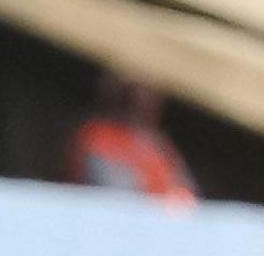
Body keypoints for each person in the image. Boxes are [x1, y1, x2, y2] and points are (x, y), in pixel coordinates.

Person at [69, 73, 198, 205]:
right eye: (136, 97)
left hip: (160, 218)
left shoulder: (157, 144)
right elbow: (109, 189)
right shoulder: (98, 135)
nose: (145, 104)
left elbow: (185, 192)